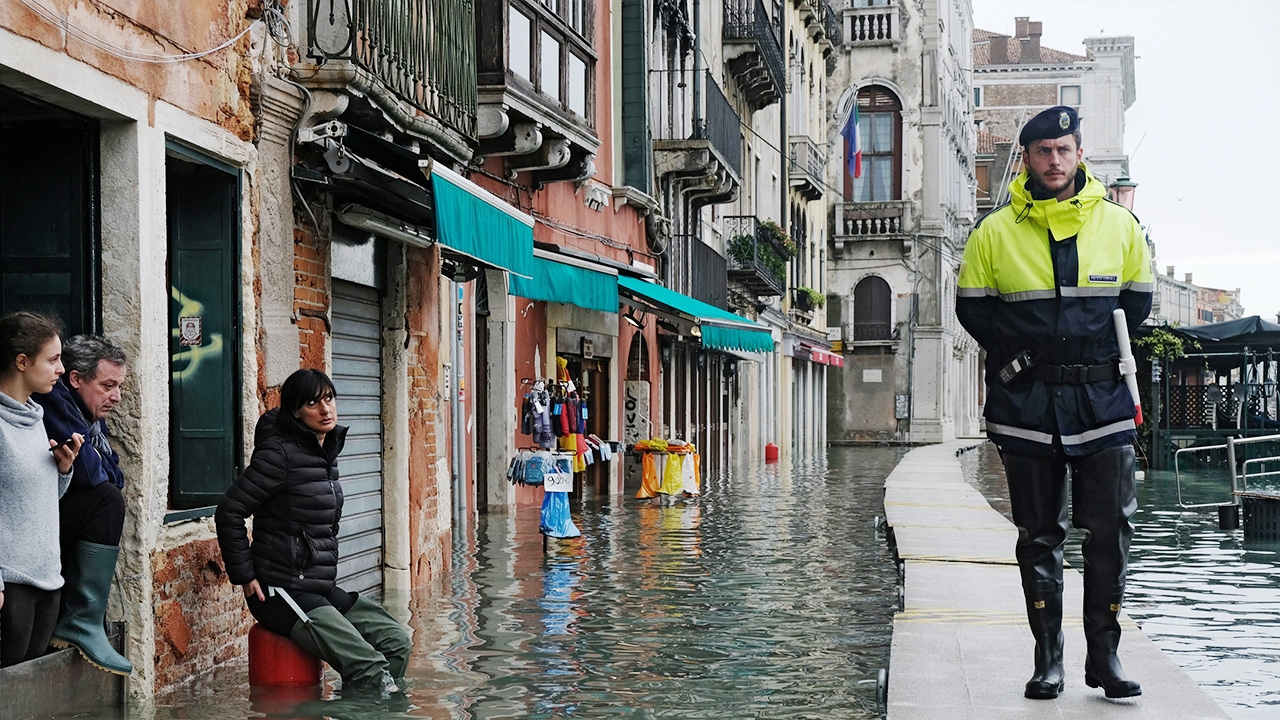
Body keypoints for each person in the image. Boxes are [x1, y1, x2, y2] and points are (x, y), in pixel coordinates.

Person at [956, 106, 1153, 700]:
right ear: (1028, 158)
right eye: (1043, 152)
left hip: (1104, 402)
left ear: (1079, 154)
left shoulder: (1121, 227)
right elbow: (974, 309)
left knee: (1110, 532)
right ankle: (1049, 661)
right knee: (1038, 535)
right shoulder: (992, 234)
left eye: (1064, 150)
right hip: (1029, 405)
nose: (1054, 161)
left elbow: (1137, 305)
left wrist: (1089, 356)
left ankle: (1106, 657)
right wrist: (1025, 357)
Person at [215, 369, 411, 696]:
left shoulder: (325, 454)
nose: (325, 410)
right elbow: (229, 510)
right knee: (369, 666)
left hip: (317, 586)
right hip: (280, 591)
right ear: (295, 411)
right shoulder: (279, 455)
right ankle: (369, 701)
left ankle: (366, 703)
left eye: (329, 399)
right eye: (312, 403)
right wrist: (245, 574)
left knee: (397, 642)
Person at [33, 334, 132, 675]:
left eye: (118, 386)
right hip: (34, 533)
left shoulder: (87, 410)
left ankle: (86, 620)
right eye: (108, 385)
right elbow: (92, 475)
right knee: (106, 500)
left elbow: (113, 473)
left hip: (56, 530)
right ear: (76, 379)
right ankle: (82, 621)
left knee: (109, 496)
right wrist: (98, 465)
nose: (116, 397)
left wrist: (99, 464)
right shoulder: (54, 402)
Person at [0, 311, 83, 667]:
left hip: (48, 580)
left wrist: (62, 471)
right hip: (10, 585)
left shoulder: (35, 416)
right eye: (52, 359)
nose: (61, 369)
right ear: (22, 361)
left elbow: (35, 500)